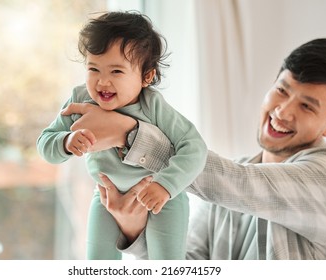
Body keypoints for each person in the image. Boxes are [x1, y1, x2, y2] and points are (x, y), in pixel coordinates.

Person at [61, 38, 326, 259]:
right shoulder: (220, 187)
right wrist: (132, 227)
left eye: (307, 106)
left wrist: (128, 133)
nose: (283, 112)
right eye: (282, 90)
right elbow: (190, 266)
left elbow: (240, 183)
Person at [36, 11, 207, 260]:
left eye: (116, 72)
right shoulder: (80, 99)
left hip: (162, 199)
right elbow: (44, 144)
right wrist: (65, 141)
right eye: (93, 69)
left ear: (147, 76)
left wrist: (166, 186)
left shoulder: (153, 106)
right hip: (106, 195)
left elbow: (194, 147)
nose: (102, 82)